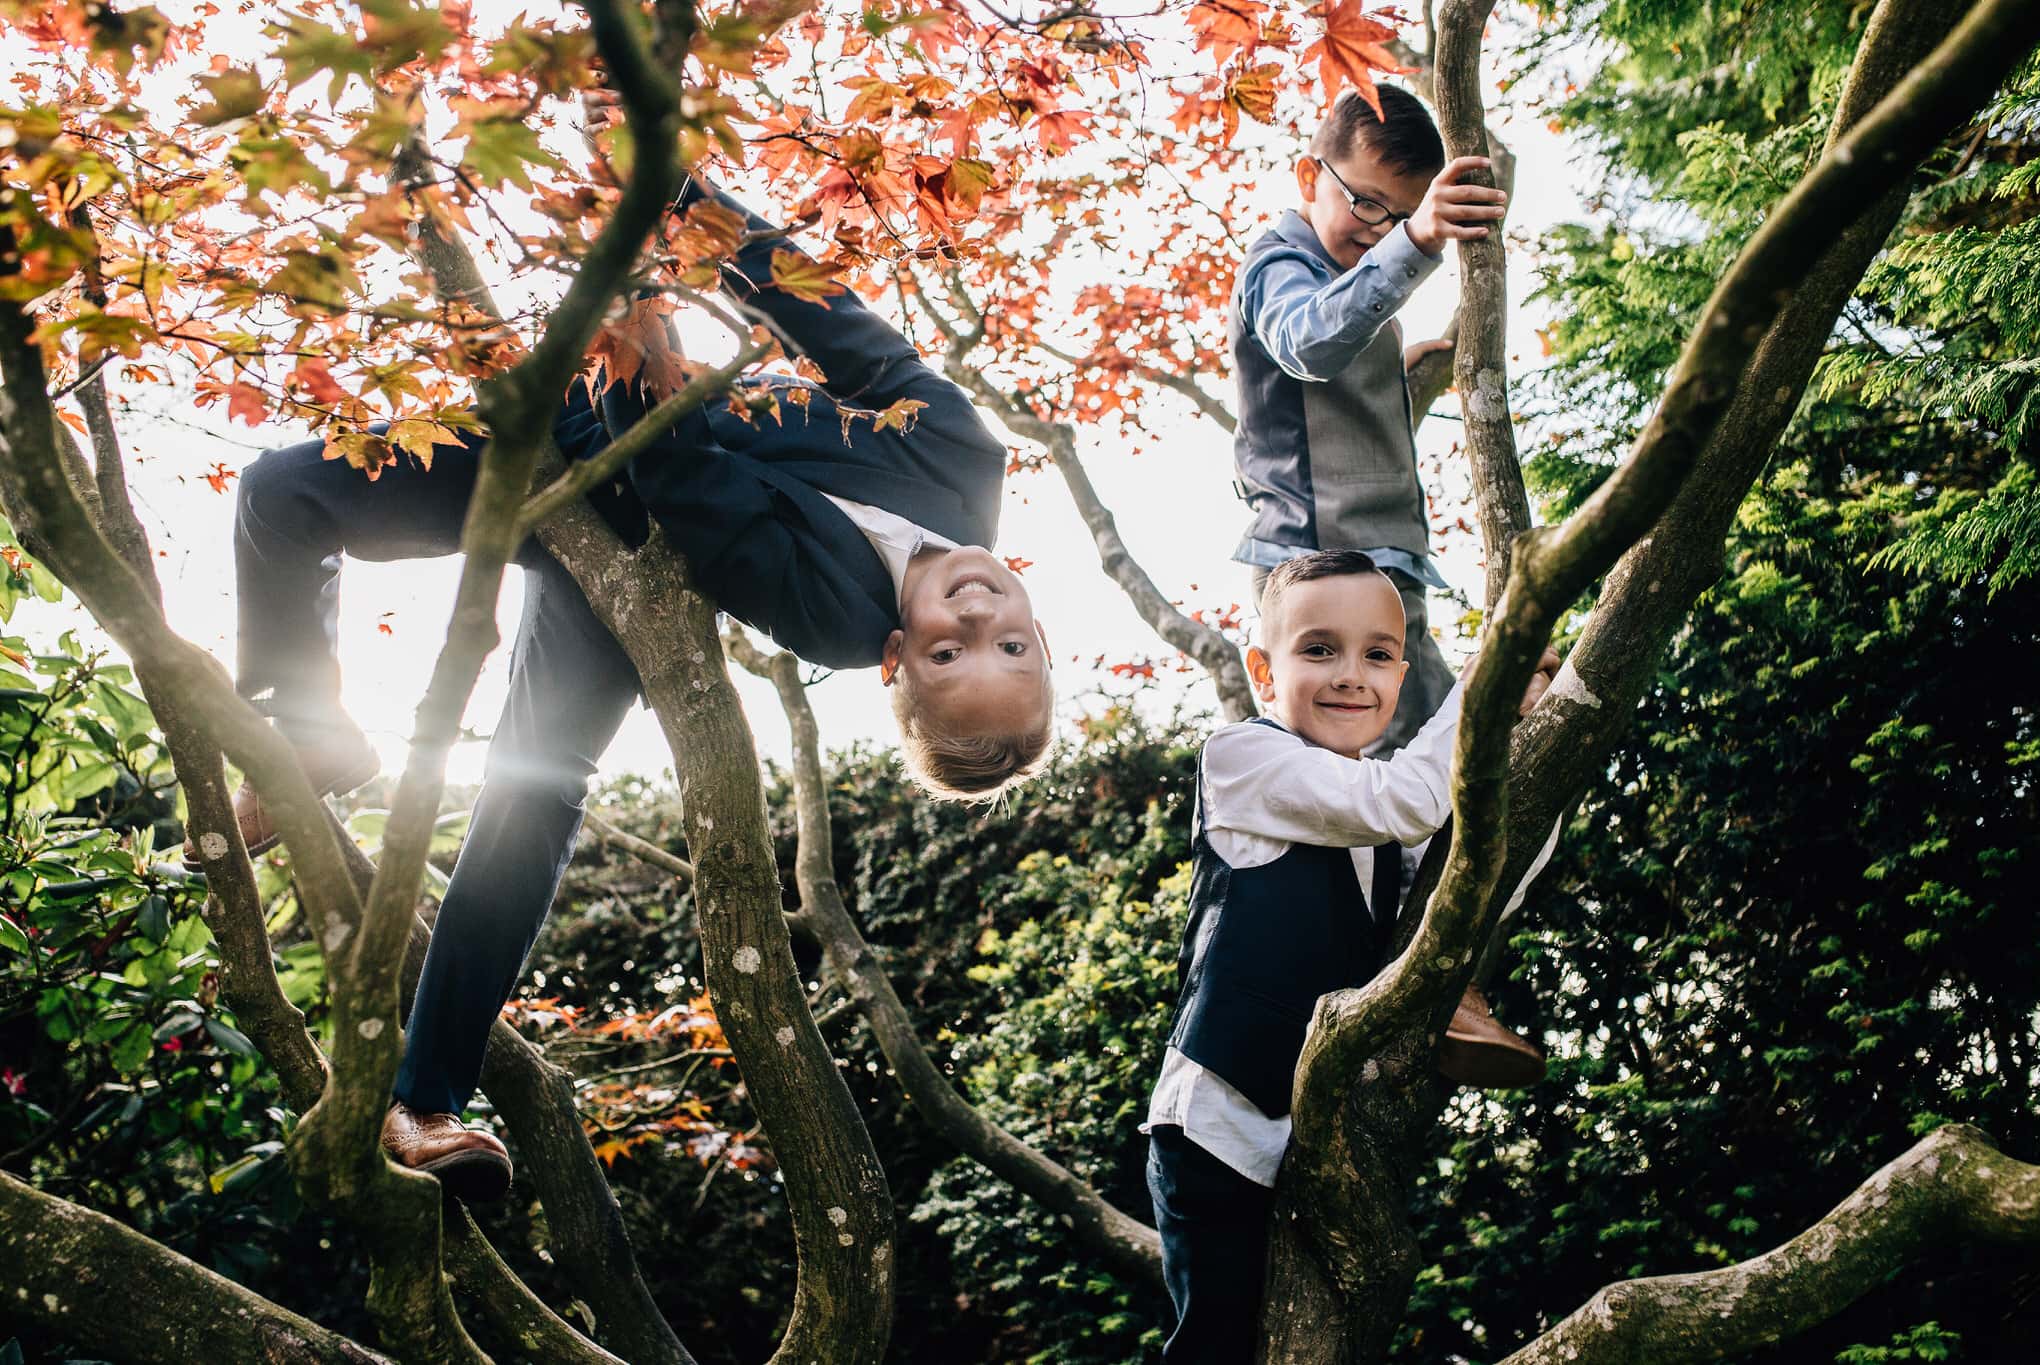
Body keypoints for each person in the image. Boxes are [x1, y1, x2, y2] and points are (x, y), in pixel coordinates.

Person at [190, 178, 1054, 1200]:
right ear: (1036, 626)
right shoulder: (964, 461)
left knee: (535, 787)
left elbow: (687, 480)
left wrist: (632, 314)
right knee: (283, 491)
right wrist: (687, 198)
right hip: (562, 427)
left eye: (949, 659)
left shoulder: (830, 617)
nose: (971, 623)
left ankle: (426, 1099)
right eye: (1010, 647)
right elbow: (841, 325)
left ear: (896, 664)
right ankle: (310, 725)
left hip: (636, 538)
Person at [1142, 551, 1559, 1364]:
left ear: (1402, 676)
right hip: (1221, 1124)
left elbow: (1481, 882)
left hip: (1315, 1134)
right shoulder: (1243, 759)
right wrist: (1485, 684)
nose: (1350, 676)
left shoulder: (1377, 805)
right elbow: (1404, 801)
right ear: (1263, 669)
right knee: (1216, 1345)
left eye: (1376, 655)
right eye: (1319, 649)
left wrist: (1523, 744)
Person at [1227, 83, 1507, 755]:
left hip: (1376, 564)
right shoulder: (1279, 267)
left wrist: (1394, 378)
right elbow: (1309, 340)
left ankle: (1412, 861)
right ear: (1308, 175)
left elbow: (1332, 387)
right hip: (1322, 565)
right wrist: (1415, 238)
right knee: (1408, 759)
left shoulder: (1351, 288)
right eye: (1366, 203)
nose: (1378, 229)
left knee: (1434, 748)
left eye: (1400, 215)